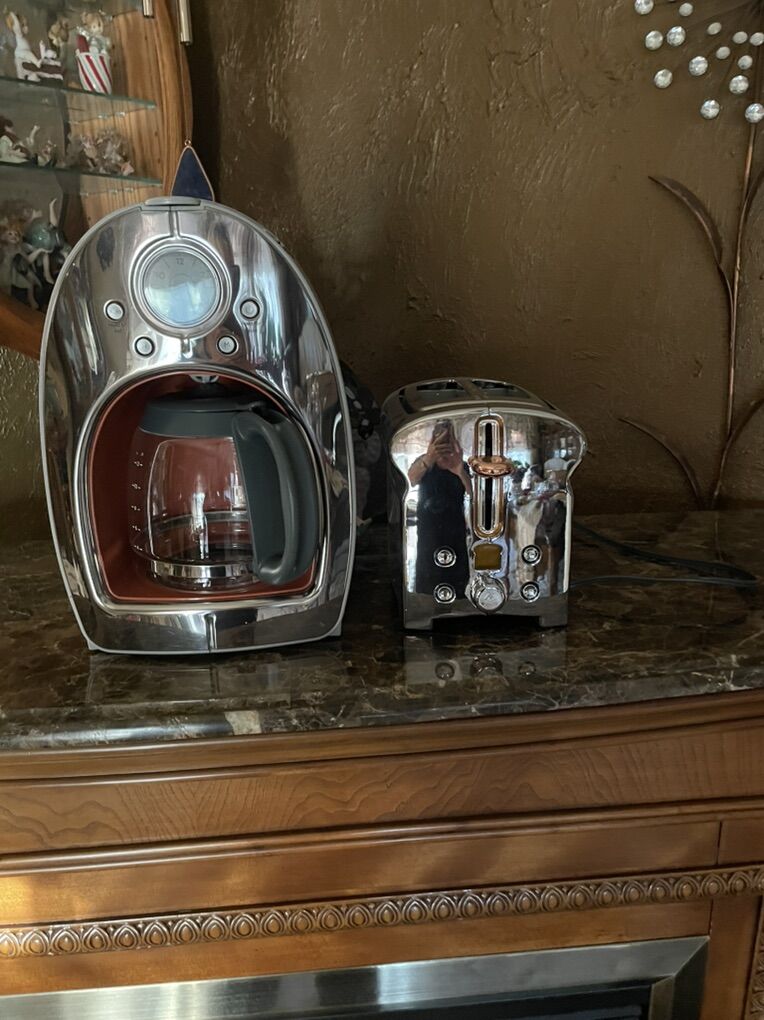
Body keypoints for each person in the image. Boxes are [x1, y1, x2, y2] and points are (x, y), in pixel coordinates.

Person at [408, 420, 470, 596]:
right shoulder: (423, 462)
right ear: (432, 439)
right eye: (439, 436)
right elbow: (411, 479)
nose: (443, 442)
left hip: (455, 528)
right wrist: (429, 459)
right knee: (427, 572)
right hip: (428, 529)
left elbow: (472, 494)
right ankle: (425, 602)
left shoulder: (460, 463)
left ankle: (457, 602)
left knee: (457, 574)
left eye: (447, 437)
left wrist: (459, 470)